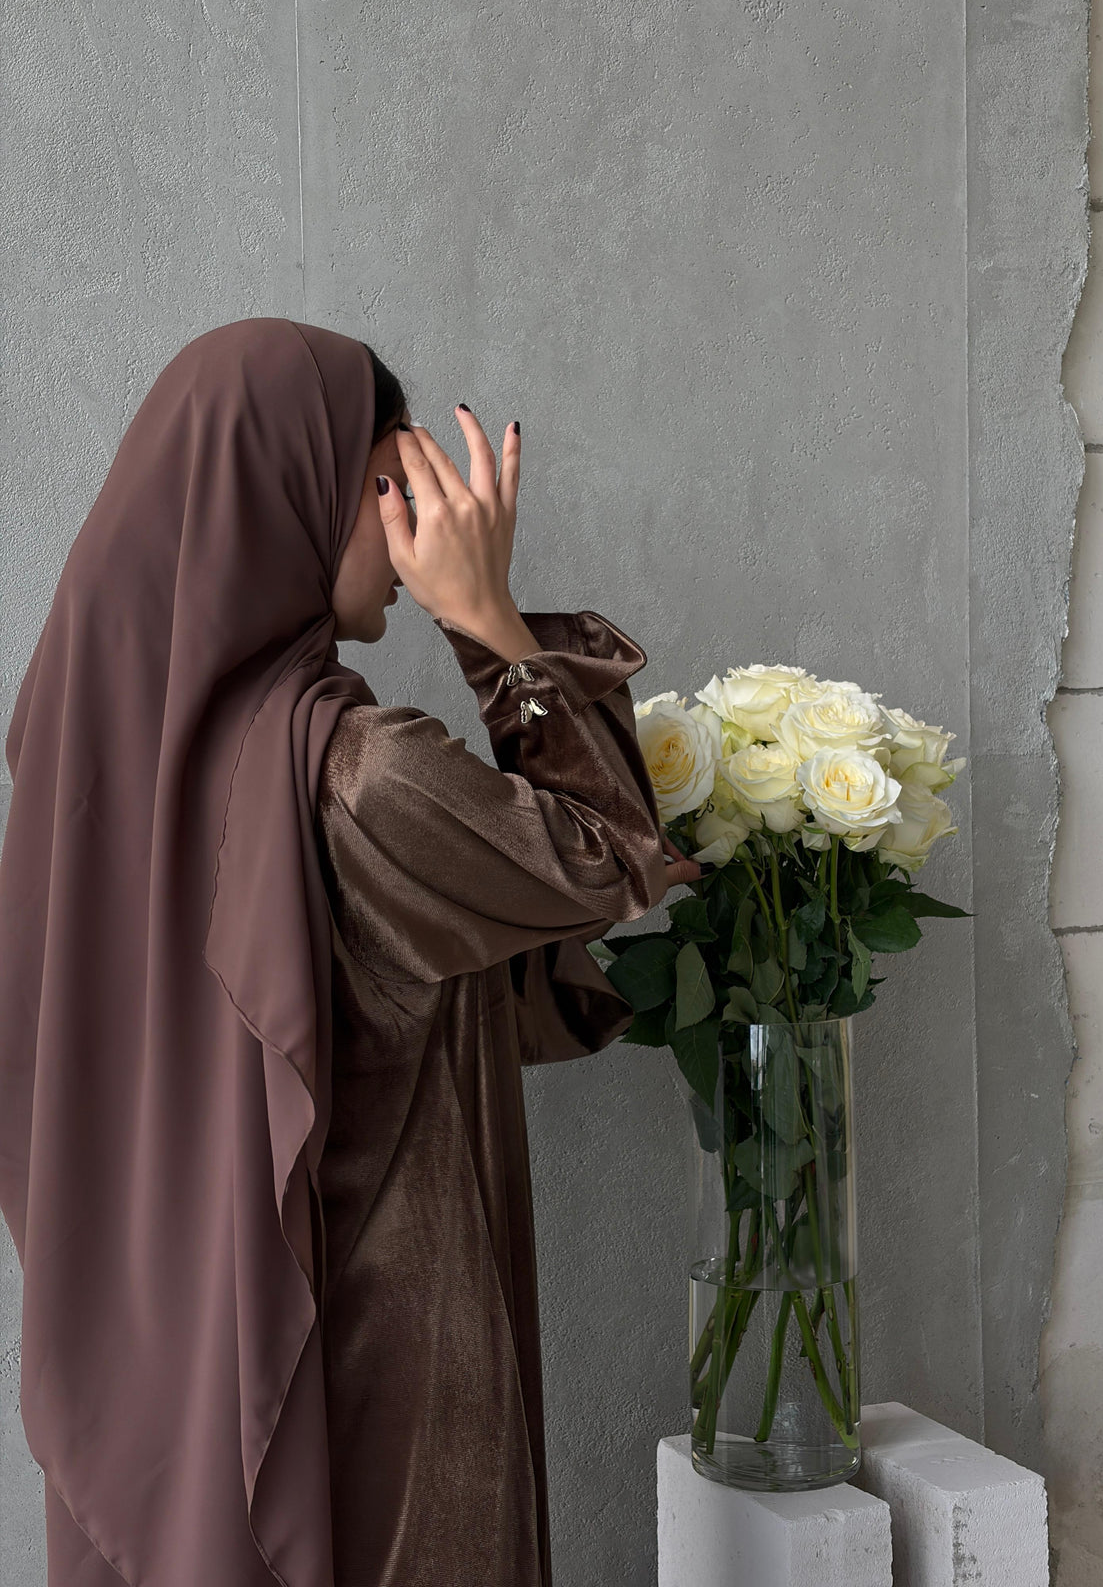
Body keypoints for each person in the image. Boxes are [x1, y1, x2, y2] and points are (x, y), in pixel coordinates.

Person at [0, 316, 700, 1587]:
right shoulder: (356, 776)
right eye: (388, 480)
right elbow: (605, 855)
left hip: (208, 1396)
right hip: (396, 1375)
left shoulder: (107, 777)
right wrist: (490, 623)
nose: (411, 523)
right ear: (287, 490)